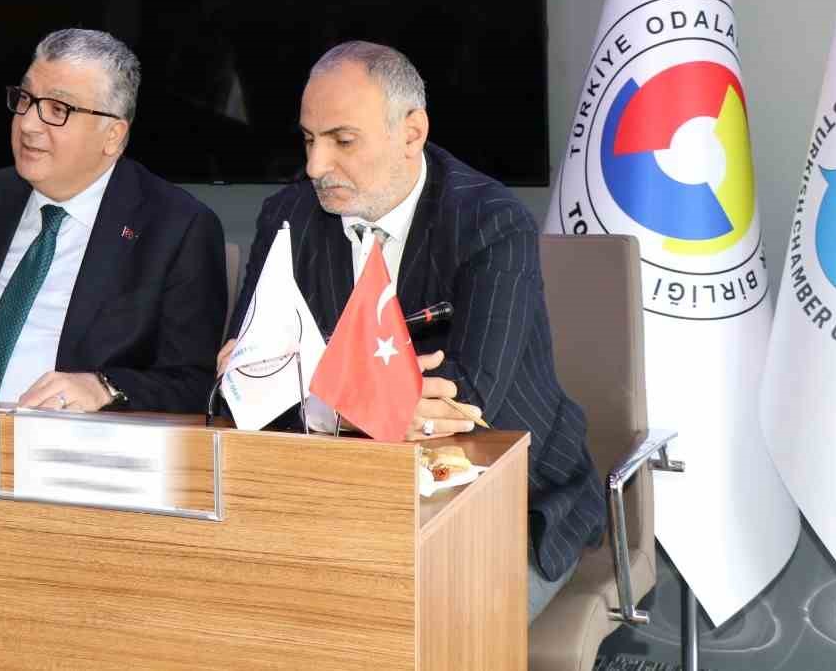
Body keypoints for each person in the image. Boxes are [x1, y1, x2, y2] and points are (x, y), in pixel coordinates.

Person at [219, 41, 605, 620]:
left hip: (507, 499)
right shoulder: (288, 215)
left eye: (342, 141)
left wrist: (311, 393)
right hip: (339, 499)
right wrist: (353, 406)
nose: (316, 166)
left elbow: (466, 403)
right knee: (251, 609)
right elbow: (242, 379)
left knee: (413, 626)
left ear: (411, 133)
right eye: (308, 139)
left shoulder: (491, 222)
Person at [0, 28, 226, 413]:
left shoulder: (176, 228)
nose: (28, 124)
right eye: (26, 99)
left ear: (113, 136)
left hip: (61, 439)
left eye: (58, 110)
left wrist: (105, 387)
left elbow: (193, 383)